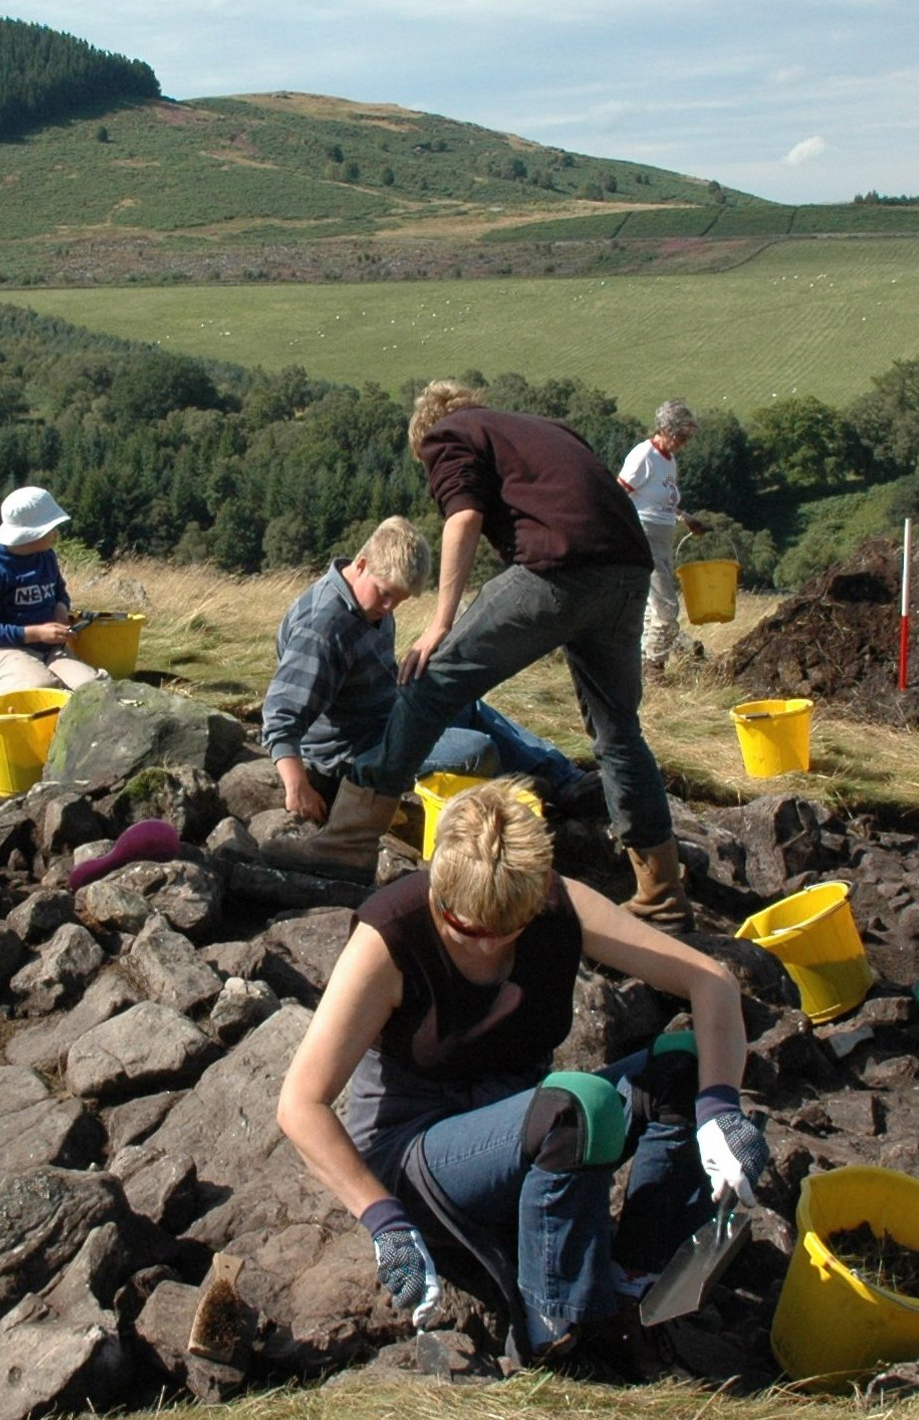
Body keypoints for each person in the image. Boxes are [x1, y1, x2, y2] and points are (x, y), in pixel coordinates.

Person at [276, 782, 767, 1368]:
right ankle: (555, 1326)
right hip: (419, 1153)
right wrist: (384, 1222)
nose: (490, 947)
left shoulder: (557, 906)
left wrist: (719, 1108)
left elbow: (710, 981)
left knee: (683, 1065)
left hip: (527, 1119)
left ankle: (635, 1276)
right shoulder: (391, 935)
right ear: (440, 894)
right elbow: (300, 1103)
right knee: (575, 1109)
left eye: (510, 929)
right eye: (470, 931)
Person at [301, 382, 695, 927]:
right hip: (628, 573)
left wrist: (440, 622)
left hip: (558, 568)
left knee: (428, 684)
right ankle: (663, 897)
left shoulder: (448, 433)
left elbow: (462, 517)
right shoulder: (545, 429)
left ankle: (345, 845)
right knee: (619, 730)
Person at [262, 516, 583, 844]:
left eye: (398, 601)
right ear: (360, 565)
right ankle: (521, 824)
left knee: (463, 703)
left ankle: (566, 780)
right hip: (351, 750)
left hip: (388, 717)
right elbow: (280, 717)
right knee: (475, 749)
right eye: (385, 595)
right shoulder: (323, 629)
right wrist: (298, 786)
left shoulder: (367, 605)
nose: (389, 608)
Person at [0, 486, 106, 695]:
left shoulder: (47, 557)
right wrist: (38, 633)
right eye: (51, 529)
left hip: (50, 649)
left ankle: (24, 675)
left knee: (93, 690)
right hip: (6, 650)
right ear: (32, 533)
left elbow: (60, 592)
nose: (56, 534)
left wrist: (60, 608)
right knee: (42, 689)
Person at [617, 400, 707, 678]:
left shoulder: (669, 462)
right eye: (680, 437)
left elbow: (663, 501)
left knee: (651, 605)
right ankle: (653, 668)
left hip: (662, 536)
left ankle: (643, 662)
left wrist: (685, 518)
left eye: (686, 438)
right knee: (666, 607)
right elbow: (618, 492)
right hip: (643, 535)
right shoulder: (645, 455)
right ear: (665, 430)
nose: (682, 443)